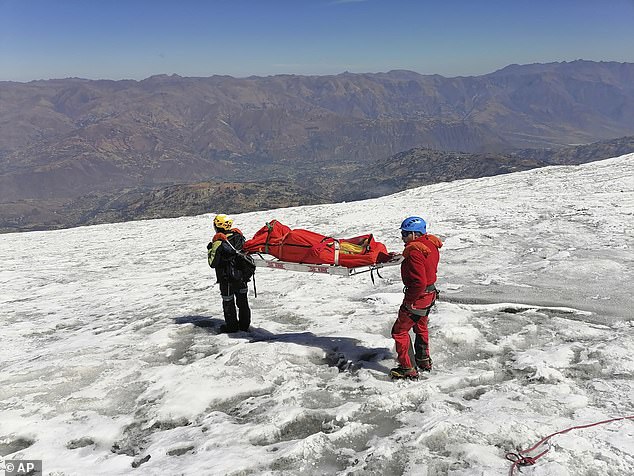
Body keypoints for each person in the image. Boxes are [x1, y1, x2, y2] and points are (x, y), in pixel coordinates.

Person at [390, 216, 443, 379]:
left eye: (405, 234)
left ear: (414, 234)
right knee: (420, 326)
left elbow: (419, 282)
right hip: (430, 294)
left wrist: (409, 301)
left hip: (418, 297)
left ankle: (408, 368)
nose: (403, 237)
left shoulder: (414, 252)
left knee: (399, 331)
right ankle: (423, 360)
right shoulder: (430, 244)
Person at [207, 214, 252, 333]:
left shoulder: (218, 242)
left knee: (228, 302)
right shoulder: (239, 237)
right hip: (242, 276)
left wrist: (210, 249)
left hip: (226, 279)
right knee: (243, 302)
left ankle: (232, 327)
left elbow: (213, 263)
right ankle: (244, 326)